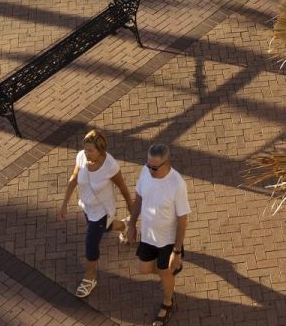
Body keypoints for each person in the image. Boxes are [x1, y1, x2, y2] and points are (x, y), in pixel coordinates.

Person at [57, 128, 134, 300]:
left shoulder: (110, 166)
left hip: (102, 211)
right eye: (85, 149)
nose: (87, 153)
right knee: (105, 229)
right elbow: (74, 178)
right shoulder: (81, 157)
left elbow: (122, 188)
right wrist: (64, 204)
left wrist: (131, 207)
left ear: (101, 150)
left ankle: (90, 278)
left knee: (91, 244)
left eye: (90, 150)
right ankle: (124, 225)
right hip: (87, 207)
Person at [130, 142, 190, 324]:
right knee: (143, 269)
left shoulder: (176, 184)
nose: (150, 169)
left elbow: (182, 219)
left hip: (167, 241)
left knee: (164, 272)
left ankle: (167, 302)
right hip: (148, 235)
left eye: (154, 167)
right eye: (148, 164)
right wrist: (132, 223)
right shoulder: (145, 172)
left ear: (166, 163)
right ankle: (170, 274)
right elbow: (139, 197)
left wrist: (176, 252)